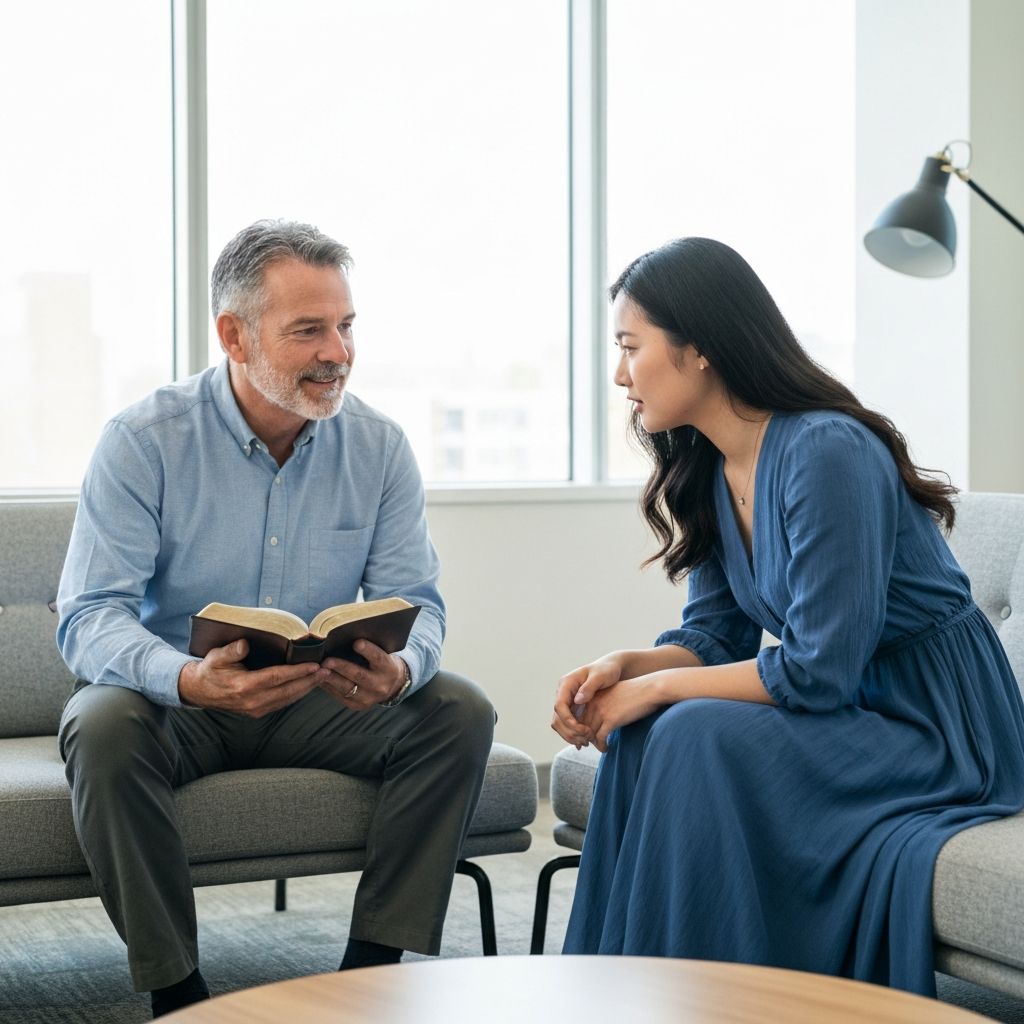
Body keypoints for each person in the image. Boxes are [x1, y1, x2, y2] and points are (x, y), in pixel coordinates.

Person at [551, 237, 1024, 995]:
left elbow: (817, 670)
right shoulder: (704, 461)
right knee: (649, 730)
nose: (619, 375)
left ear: (698, 348)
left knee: (690, 730)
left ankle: (727, 997)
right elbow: (713, 638)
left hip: (936, 724)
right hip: (851, 709)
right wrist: (628, 669)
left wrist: (662, 691)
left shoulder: (825, 450)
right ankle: (632, 996)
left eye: (630, 348)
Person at [57, 219, 495, 1018]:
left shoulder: (378, 446)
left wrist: (401, 668)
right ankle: (178, 993)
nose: (338, 351)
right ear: (233, 334)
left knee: (458, 709)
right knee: (99, 722)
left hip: (317, 705)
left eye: (346, 326)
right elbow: (88, 617)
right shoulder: (142, 441)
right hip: (179, 706)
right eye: (308, 331)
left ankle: (367, 974)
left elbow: (420, 602)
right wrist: (186, 679)